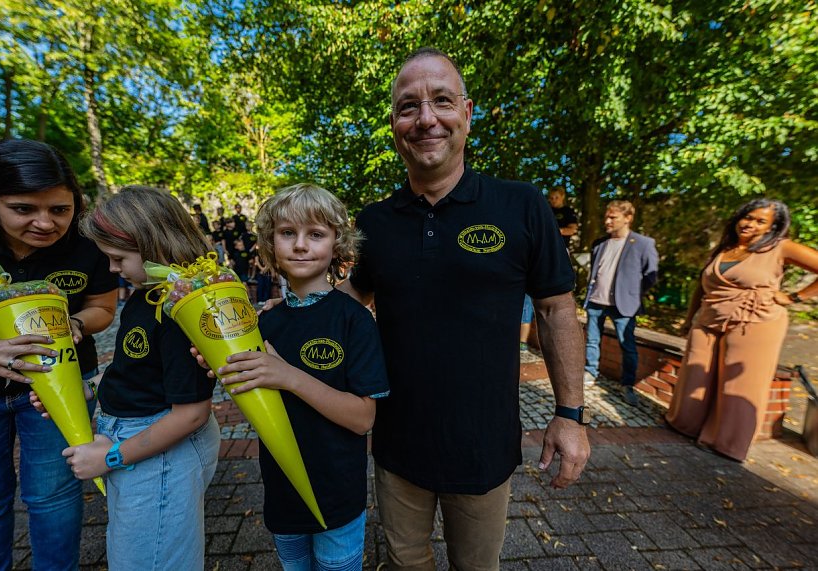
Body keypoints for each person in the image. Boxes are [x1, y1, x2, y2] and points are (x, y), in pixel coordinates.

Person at [345, 48, 590, 569]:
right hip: (396, 446)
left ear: (468, 112)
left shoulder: (521, 205)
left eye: (441, 101)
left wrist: (569, 416)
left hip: (484, 447)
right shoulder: (375, 221)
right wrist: (281, 316)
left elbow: (555, 310)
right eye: (409, 106)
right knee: (405, 563)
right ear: (394, 123)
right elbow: (351, 299)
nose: (426, 118)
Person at [214, 183, 390, 569]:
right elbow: (252, 400)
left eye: (316, 234)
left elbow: (363, 418)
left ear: (337, 245)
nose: (300, 245)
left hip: (337, 493)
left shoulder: (353, 319)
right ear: (270, 243)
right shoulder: (263, 324)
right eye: (287, 233)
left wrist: (289, 376)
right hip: (282, 491)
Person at [0, 139, 117, 570]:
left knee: (55, 495)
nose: (45, 223)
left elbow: (103, 306)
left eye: (59, 210)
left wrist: (80, 323)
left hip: (60, 389)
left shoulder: (85, 246)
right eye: (24, 209)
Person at [62, 186, 220, 569]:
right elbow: (130, 367)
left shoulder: (179, 309)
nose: (113, 270)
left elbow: (191, 414)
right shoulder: (143, 295)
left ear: (154, 244)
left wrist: (112, 457)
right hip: (139, 445)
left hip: (157, 450)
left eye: (118, 258)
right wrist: (86, 389)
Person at [665, 198, 818, 461]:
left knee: (739, 385)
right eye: (748, 217)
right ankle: (685, 425)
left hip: (755, 320)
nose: (750, 224)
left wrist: (794, 297)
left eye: (761, 221)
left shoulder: (781, 247)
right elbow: (701, 288)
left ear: (772, 227)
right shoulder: (725, 248)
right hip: (710, 318)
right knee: (695, 374)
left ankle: (727, 444)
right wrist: (689, 319)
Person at [582, 200, 658, 406]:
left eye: (612, 217)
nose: (607, 221)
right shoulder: (599, 243)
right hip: (597, 300)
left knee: (628, 346)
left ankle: (627, 385)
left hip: (624, 305)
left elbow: (651, 276)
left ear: (628, 218)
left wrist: (632, 293)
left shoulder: (643, 243)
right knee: (591, 340)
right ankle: (590, 373)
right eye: (606, 216)